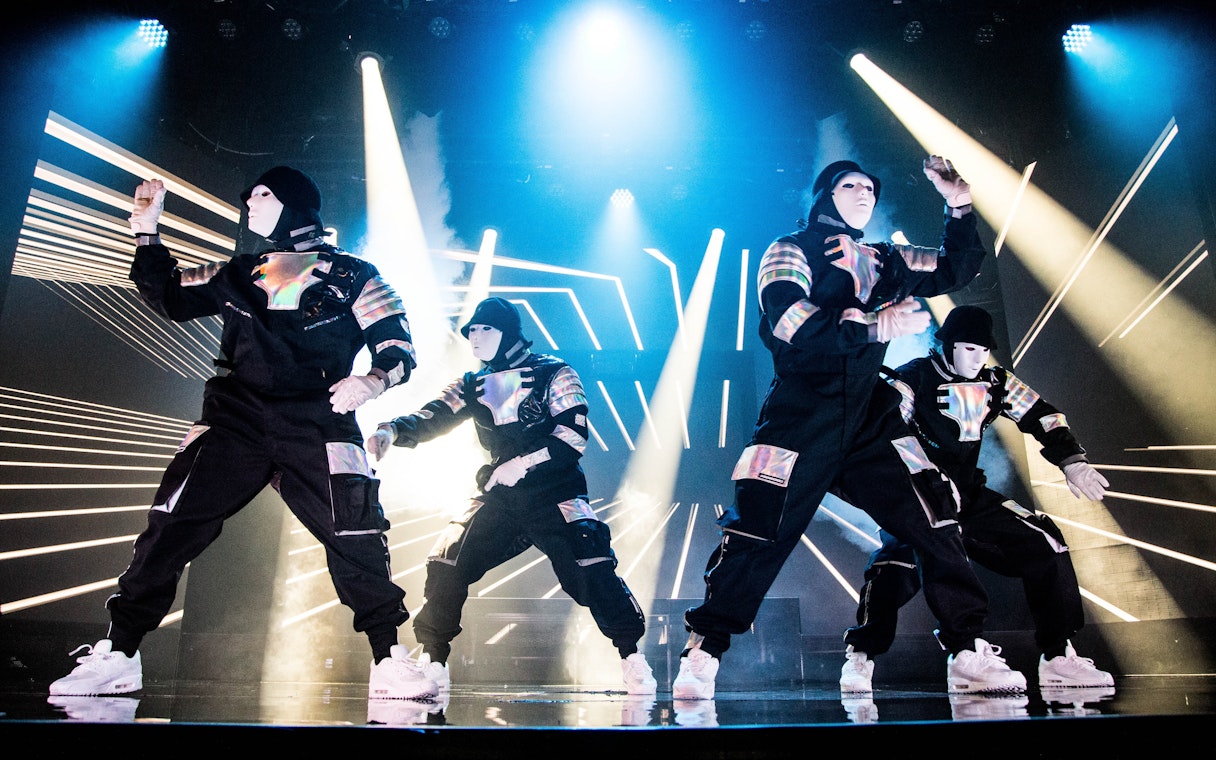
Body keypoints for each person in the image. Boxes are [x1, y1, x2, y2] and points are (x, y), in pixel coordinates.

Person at [49, 166, 439, 702]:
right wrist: (147, 231)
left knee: (355, 531)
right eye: (248, 196)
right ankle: (119, 653)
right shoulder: (239, 271)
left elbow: (398, 346)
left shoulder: (355, 276)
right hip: (235, 418)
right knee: (171, 523)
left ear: (294, 204)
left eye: (261, 194)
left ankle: (389, 656)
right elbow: (167, 295)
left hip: (319, 420)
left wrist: (370, 382)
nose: (248, 203)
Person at [674, 155, 1027, 700]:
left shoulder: (886, 259)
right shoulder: (789, 249)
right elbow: (787, 321)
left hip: (870, 418)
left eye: (870, 186)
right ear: (824, 195)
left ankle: (965, 650)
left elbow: (958, 268)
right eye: (850, 185)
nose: (864, 194)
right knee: (760, 528)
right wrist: (874, 323)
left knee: (933, 512)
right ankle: (703, 650)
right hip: (799, 414)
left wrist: (959, 205)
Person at [365, 297, 657, 696]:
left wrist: (524, 463)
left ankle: (632, 657)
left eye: (485, 329)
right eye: (471, 331)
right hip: (500, 495)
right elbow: (435, 413)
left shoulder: (555, 372)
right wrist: (392, 430)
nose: (474, 337)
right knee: (447, 559)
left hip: (556, 491)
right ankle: (433, 661)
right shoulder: (472, 383)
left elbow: (572, 435)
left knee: (589, 566)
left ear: (507, 331)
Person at [839, 304, 1114, 693]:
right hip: (918, 498)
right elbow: (890, 432)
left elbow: (1043, 414)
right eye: (968, 349)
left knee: (1045, 542)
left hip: (968, 493)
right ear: (947, 345)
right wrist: (928, 477)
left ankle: (1058, 656)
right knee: (893, 571)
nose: (977, 358)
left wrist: (1072, 461)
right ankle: (872, 656)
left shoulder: (996, 381)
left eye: (983, 350)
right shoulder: (911, 378)